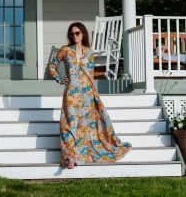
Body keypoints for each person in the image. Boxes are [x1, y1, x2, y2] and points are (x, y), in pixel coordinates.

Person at [49, 22, 132, 169]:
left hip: (87, 93)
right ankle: (70, 157)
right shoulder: (65, 50)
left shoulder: (89, 52)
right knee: (70, 124)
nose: (74, 36)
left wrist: (94, 94)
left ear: (83, 34)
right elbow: (52, 66)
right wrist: (60, 79)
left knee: (85, 126)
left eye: (77, 33)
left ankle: (79, 155)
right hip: (71, 92)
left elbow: (91, 75)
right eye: (72, 34)